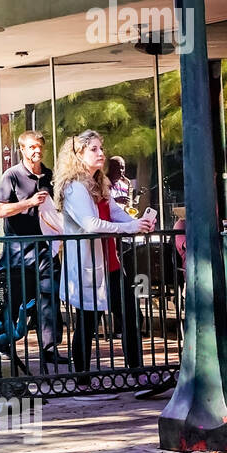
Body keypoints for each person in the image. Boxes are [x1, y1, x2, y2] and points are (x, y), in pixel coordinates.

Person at [53, 130, 156, 389]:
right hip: (88, 265)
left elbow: (113, 212)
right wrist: (129, 228)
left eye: (101, 148)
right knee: (88, 321)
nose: (101, 153)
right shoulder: (75, 187)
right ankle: (82, 379)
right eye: (94, 149)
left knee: (130, 316)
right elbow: (90, 223)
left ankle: (136, 373)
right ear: (78, 155)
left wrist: (138, 223)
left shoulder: (99, 183)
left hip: (109, 262)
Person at [0, 130, 63, 371]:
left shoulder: (50, 176)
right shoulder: (11, 175)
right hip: (17, 248)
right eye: (32, 147)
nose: (37, 150)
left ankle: (50, 348)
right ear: (22, 149)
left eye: (39, 146)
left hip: (45, 246)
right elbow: (1, 210)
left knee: (49, 295)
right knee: (13, 298)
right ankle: (4, 341)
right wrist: (29, 202)